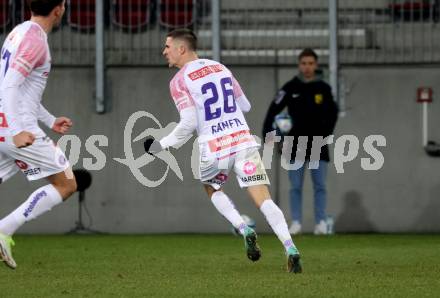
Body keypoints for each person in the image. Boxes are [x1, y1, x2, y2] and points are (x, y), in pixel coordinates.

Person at [143, 28, 302, 273]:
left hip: (214, 145)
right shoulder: (220, 68)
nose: (164, 52)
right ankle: (290, 247)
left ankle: (243, 228)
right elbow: (245, 105)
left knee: (212, 187)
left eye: (167, 47)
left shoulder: (179, 81)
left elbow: (189, 123)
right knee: (264, 198)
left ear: (181, 48)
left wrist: (160, 145)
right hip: (242, 139)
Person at [0, 0, 76, 269]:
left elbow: (22, 92)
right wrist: (17, 130)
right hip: (19, 129)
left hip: (5, 123)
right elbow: (9, 86)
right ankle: (4, 230)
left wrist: (50, 119)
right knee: (67, 183)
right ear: (58, 9)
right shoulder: (35, 41)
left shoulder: (19, 31)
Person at [262, 48, 338, 235]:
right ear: (299, 65)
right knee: (295, 186)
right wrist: (270, 136)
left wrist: (325, 132)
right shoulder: (290, 87)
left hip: (318, 144)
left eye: (311, 63)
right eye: (304, 63)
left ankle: (321, 223)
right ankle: (296, 222)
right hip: (294, 145)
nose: (307, 67)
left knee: (320, 186)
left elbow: (333, 113)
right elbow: (273, 110)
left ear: (316, 65)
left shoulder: (324, 89)